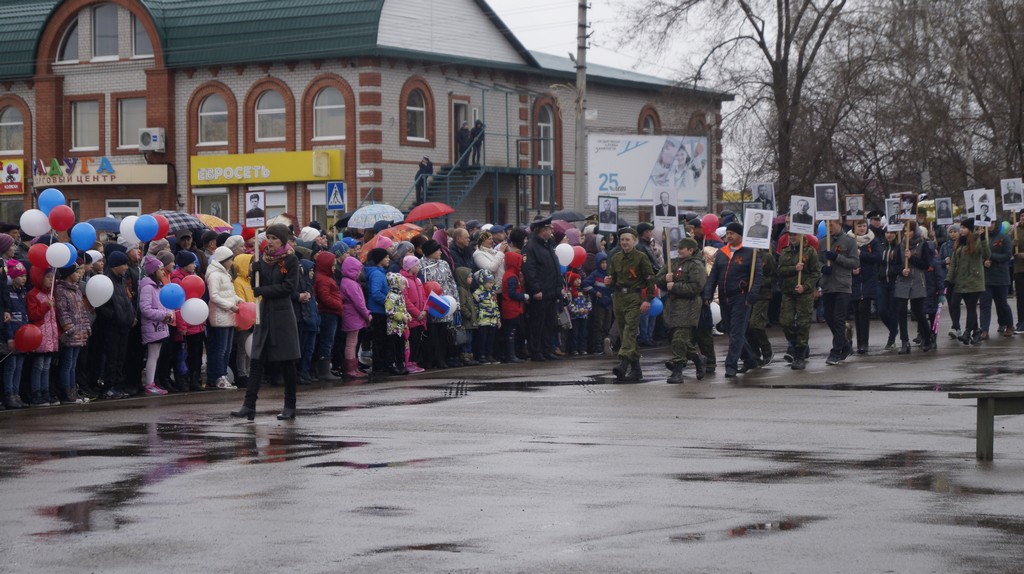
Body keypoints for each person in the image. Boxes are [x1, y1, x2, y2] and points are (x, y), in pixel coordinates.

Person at [231, 223, 302, 421]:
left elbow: (289, 287)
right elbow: (256, 287)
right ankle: (249, 405)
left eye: (274, 238)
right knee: (256, 360)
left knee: (287, 362)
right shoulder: (262, 259)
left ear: (282, 241)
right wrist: (255, 272)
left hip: (282, 315)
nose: (269, 242)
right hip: (264, 314)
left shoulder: (291, 260)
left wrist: (264, 291)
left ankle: (290, 405)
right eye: (268, 237)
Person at [703, 222, 762, 377]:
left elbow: (757, 277)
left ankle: (731, 365)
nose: (729, 235)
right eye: (727, 233)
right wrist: (708, 294)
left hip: (741, 298)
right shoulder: (722, 253)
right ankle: (749, 359)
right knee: (731, 331)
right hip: (724, 297)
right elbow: (713, 275)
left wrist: (752, 296)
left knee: (736, 332)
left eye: (732, 233)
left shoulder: (750, 253)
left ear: (740, 235)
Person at [656, 237, 707, 383]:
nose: (678, 251)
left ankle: (677, 372)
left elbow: (697, 287)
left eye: (681, 248)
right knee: (677, 338)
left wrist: (676, 287)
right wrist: (665, 279)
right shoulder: (674, 263)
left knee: (679, 337)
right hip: (673, 306)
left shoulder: (696, 265)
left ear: (690, 250)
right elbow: (658, 279)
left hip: (688, 305)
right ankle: (698, 359)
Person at [607, 227, 655, 381]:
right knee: (623, 332)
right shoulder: (616, 257)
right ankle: (636, 370)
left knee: (630, 330)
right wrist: (608, 282)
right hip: (619, 297)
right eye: (622, 239)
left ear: (634, 241)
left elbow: (650, 279)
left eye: (627, 239)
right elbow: (612, 278)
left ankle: (623, 363)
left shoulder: (641, 257)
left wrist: (647, 299)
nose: (624, 242)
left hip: (634, 297)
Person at [777, 229, 821, 370]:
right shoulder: (785, 252)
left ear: (801, 236)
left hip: (804, 293)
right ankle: (798, 344)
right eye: (790, 235)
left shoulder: (809, 252)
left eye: (794, 235)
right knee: (785, 322)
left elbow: (815, 273)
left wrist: (805, 286)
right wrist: (793, 268)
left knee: (803, 323)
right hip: (788, 292)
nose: (791, 237)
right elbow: (780, 270)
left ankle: (799, 355)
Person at [95, 249, 136, 400]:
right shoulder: (107, 281)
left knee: (120, 357)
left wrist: (131, 315)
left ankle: (119, 384)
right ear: (114, 266)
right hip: (112, 327)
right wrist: (114, 316)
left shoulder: (122, 281)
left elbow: (127, 300)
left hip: (124, 326)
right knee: (111, 358)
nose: (126, 267)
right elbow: (101, 306)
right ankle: (108, 386)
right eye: (123, 265)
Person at [818, 219, 860, 364]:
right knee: (829, 317)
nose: (829, 228)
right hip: (828, 285)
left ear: (839, 223)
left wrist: (837, 257)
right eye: (827, 225)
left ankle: (836, 351)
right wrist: (822, 268)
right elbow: (817, 261)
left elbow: (855, 263)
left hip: (842, 285)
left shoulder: (849, 241)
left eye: (831, 225)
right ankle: (845, 346)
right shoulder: (823, 242)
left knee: (838, 318)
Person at [522, 219, 562, 361]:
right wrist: (535, 289)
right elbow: (529, 270)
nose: (551, 231)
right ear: (542, 230)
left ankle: (546, 348)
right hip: (540, 293)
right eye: (549, 228)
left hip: (551, 291)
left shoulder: (548, 245)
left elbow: (555, 267)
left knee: (549, 323)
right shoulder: (531, 247)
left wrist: (559, 287)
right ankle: (536, 350)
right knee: (537, 324)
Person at [948, 219, 989, 344]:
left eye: (964, 228)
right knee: (955, 303)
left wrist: (983, 240)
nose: (961, 230)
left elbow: (986, 254)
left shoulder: (977, 241)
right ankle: (976, 331)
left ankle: (967, 332)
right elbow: (954, 263)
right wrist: (948, 279)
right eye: (961, 227)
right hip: (961, 281)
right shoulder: (958, 243)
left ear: (970, 230)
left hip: (974, 281)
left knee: (971, 308)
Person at [54, 264, 91, 404]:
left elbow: (82, 311)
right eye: (76, 272)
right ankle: (67, 392)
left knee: (73, 364)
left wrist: (86, 326)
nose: (79, 274)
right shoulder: (61, 290)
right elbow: (62, 311)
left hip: (79, 332)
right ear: (68, 274)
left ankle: (73, 392)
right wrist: (69, 328)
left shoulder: (76, 290)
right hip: (71, 333)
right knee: (67, 364)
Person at [206, 246, 241, 389]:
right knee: (220, 349)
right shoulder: (215, 275)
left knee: (226, 349)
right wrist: (230, 306)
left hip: (228, 315)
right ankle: (217, 376)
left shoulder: (224, 273)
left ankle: (223, 375)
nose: (232, 262)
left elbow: (229, 293)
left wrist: (239, 300)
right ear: (224, 260)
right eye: (230, 259)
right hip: (220, 316)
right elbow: (214, 296)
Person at [138, 255, 174, 396]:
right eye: (160, 269)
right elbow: (145, 309)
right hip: (152, 327)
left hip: (159, 326)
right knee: (153, 356)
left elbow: (163, 304)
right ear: (153, 271)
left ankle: (152, 382)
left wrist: (168, 314)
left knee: (156, 355)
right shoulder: (148, 287)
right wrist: (163, 315)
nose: (163, 272)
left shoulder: (158, 287)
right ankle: (149, 384)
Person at [26, 266, 59, 406]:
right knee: (38, 366)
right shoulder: (33, 295)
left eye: (52, 277)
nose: (51, 280)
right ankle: (36, 393)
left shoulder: (50, 294)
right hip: (40, 335)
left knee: (46, 366)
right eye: (47, 277)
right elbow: (33, 315)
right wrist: (46, 306)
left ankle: (45, 391)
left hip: (50, 335)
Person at [848, 219, 880, 354]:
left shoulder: (873, 240)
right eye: (859, 226)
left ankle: (864, 343)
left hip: (867, 280)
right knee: (856, 312)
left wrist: (862, 254)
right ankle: (858, 342)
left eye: (863, 225)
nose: (861, 228)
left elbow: (877, 258)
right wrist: (851, 269)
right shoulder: (849, 240)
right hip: (854, 282)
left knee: (864, 311)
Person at [2, 261, 29, 409]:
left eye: (25, 275)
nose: (24, 278)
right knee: (10, 367)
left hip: (24, 336)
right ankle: (9, 394)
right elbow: (8, 319)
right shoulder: (8, 293)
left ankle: (16, 394)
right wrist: (10, 337)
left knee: (19, 367)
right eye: (21, 275)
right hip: (12, 335)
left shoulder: (23, 293)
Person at [980, 220, 1014, 338]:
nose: (990, 225)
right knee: (985, 304)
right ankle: (984, 329)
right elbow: (978, 255)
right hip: (986, 278)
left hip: (1000, 277)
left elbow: (1007, 255)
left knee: (1002, 304)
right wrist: (984, 262)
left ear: (997, 223)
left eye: (992, 222)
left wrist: (992, 257)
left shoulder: (1004, 238)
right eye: (988, 222)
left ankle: (1009, 325)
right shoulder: (983, 238)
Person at [339, 255, 370, 378]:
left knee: (353, 341)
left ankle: (353, 367)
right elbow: (359, 302)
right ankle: (350, 368)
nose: (360, 272)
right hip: (352, 315)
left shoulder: (347, 282)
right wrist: (367, 314)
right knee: (351, 342)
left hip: (352, 315)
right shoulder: (350, 283)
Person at [364, 247, 391, 375]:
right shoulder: (376, 273)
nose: (388, 259)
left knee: (382, 339)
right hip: (377, 310)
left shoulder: (381, 272)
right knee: (379, 339)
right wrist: (389, 302)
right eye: (386, 257)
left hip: (381, 310)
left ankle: (382, 364)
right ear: (379, 259)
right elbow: (375, 293)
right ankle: (378, 365)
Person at [232, 253, 255, 388]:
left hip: (253, 319)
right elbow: (242, 302)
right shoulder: (238, 282)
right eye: (250, 263)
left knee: (250, 349)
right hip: (245, 320)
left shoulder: (251, 281)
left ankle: (249, 373)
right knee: (242, 348)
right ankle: (242, 374)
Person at [384, 272, 410, 375]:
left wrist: (407, 315)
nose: (404, 286)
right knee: (392, 346)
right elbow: (389, 311)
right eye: (402, 284)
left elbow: (403, 308)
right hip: (393, 327)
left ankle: (401, 364)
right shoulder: (391, 296)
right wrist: (401, 316)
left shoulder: (400, 296)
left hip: (401, 327)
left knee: (400, 346)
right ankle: (392, 365)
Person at [473, 269, 500, 363]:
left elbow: (495, 306)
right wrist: (477, 317)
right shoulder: (477, 293)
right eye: (488, 282)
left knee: (491, 339)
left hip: (492, 320)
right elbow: (475, 307)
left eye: (492, 282)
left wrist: (498, 319)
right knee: (482, 339)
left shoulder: (492, 293)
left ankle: (489, 354)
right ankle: (481, 355)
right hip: (482, 320)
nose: (491, 284)